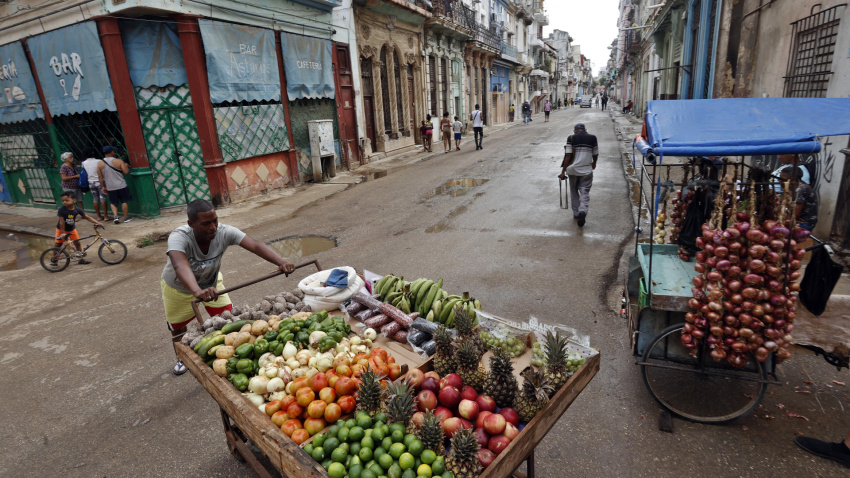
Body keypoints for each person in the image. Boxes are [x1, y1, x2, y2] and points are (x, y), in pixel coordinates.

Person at [162, 199, 296, 375]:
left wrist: (282, 262)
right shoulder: (179, 237)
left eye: (215, 220)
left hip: (212, 286)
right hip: (179, 288)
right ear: (191, 224)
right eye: (206, 223)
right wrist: (197, 291)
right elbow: (180, 265)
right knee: (178, 328)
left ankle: (225, 356)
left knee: (229, 320)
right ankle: (182, 358)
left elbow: (255, 245)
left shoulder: (224, 232)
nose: (213, 227)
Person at [558, 123, 599, 228]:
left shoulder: (571, 138)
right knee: (584, 191)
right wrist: (594, 163)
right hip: (586, 170)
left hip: (573, 170)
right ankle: (583, 210)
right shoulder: (592, 138)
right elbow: (595, 153)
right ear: (585, 129)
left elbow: (568, 155)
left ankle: (576, 213)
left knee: (574, 191)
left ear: (575, 130)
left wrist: (563, 171)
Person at [53, 191, 101, 265]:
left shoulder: (77, 209)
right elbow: (61, 222)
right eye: (63, 201)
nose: (64, 202)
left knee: (77, 243)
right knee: (58, 245)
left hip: (71, 229)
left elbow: (87, 217)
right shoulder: (62, 210)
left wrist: (97, 222)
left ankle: (80, 259)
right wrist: (62, 233)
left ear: (74, 200)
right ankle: (55, 259)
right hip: (61, 230)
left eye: (67, 200)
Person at [98, 146, 132, 224]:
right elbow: (126, 172)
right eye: (113, 151)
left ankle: (115, 216)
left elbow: (100, 177)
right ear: (111, 152)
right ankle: (126, 217)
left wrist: (103, 187)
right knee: (124, 201)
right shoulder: (119, 161)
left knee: (113, 202)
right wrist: (126, 165)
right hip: (121, 185)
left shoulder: (99, 163)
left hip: (110, 186)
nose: (114, 152)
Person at [781, 167, 818, 231]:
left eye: (782, 179)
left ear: (791, 179)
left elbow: (795, 214)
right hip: (798, 221)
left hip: (804, 223)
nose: (780, 181)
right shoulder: (793, 188)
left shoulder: (801, 189)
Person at [81, 147, 108, 221]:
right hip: (99, 181)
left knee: (95, 199)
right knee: (103, 198)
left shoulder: (83, 163)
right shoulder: (99, 161)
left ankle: (99, 216)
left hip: (91, 182)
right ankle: (106, 216)